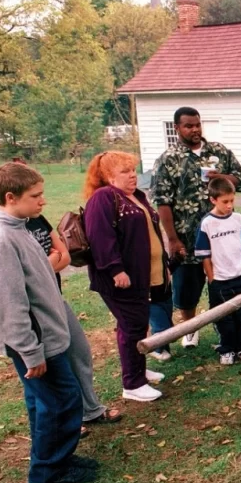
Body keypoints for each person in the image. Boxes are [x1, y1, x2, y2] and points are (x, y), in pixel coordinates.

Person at [0, 162, 98, 483]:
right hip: (35, 342)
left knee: (44, 402)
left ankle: (56, 459)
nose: (43, 202)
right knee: (62, 400)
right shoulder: (0, 241)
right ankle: (47, 473)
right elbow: (8, 304)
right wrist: (30, 352)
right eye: (36, 196)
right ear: (11, 197)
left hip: (45, 336)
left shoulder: (20, 226)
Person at [151, 107, 241, 356]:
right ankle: (191, 327)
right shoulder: (168, 159)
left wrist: (221, 176)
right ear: (177, 128)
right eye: (188, 126)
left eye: (197, 125)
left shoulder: (218, 151)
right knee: (186, 289)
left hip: (223, 237)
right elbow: (162, 201)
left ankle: (223, 325)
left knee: (224, 284)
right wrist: (172, 239)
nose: (194, 130)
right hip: (188, 237)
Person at [83, 151, 169, 402]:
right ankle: (132, 384)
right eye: (125, 171)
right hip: (121, 278)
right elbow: (100, 238)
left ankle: (138, 369)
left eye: (133, 170)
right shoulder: (103, 198)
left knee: (137, 323)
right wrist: (115, 269)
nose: (133, 175)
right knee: (132, 325)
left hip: (142, 275)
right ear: (109, 176)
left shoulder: (135, 196)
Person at [24, 212, 123, 430]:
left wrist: (43, 267)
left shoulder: (39, 219)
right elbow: (24, 276)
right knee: (52, 366)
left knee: (79, 351)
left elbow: (65, 256)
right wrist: (49, 262)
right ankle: (67, 422)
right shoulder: (11, 229)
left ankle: (90, 409)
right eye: (35, 195)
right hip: (34, 308)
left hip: (56, 298)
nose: (43, 202)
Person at [195, 177, 241, 365]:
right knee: (224, 318)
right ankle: (227, 349)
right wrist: (212, 278)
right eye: (225, 202)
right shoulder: (207, 223)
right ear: (213, 200)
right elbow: (204, 255)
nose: (229, 205)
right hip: (221, 280)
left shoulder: (238, 219)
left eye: (232, 200)